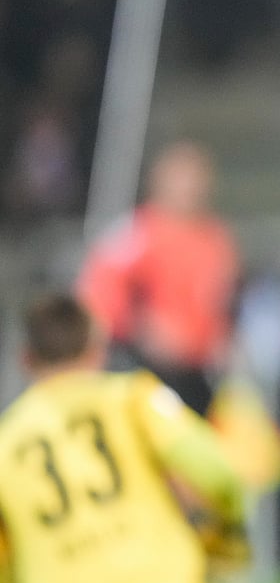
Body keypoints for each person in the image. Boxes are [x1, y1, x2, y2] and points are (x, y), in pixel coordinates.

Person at [0, 292, 278, 583]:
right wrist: (226, 531)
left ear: (26, 358)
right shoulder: (133, 399)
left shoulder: (7, 440)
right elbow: (217, 472)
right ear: (97, 349)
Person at [76, 139, 240, 417]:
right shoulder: (137, 233)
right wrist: (140, 327)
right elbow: (98, 294)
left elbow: (223, 305)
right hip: (144, 373)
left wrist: (222, 339)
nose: (190, 187)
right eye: (182, 178)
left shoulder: (217, 240)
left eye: (196, 178)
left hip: (200, 376)